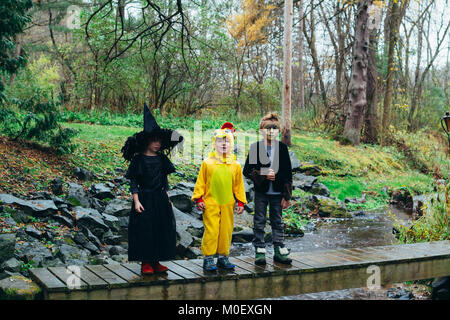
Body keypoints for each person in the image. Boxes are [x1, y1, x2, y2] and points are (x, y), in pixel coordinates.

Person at [121, 104, 183, 275]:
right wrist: (136, 201)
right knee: (145, 230)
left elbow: (164, 179)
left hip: (160, 197)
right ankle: (145, 262)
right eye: (154, 140)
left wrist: (168, 198)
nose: (157, 144)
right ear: (147, 141)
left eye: (160, 141)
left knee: (160, 228)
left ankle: (156, 261)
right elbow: (133, 181)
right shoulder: (138, 160)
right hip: (145, 198)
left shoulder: (162, 159)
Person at [192, 125, 247, 271]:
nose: (223, 144)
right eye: (220, 141)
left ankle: (223, 257)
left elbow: (238, 185)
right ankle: (208, 258)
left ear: (232, 144)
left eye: (227, 141)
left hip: (228, 204)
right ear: (214, 143)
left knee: (226, 230)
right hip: (211, 203)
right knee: (211, 229)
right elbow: (201, 182)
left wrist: (240, 201)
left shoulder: (235, 165)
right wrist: (199, 199)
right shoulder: (207, 163)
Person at [243, 112, 293, 265]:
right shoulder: (255, 148)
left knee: (277, 221)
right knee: (259, 221)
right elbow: (246, 171)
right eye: (268, 129)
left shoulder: (282, 149)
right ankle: (260, 250)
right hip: (261, 193)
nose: (271, 132)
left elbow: (287, 174)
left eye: (274, 129)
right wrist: (263, 174)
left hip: (278, 193)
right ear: (261, 131)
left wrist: (287, 196)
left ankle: (279, 250)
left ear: (278, 131)